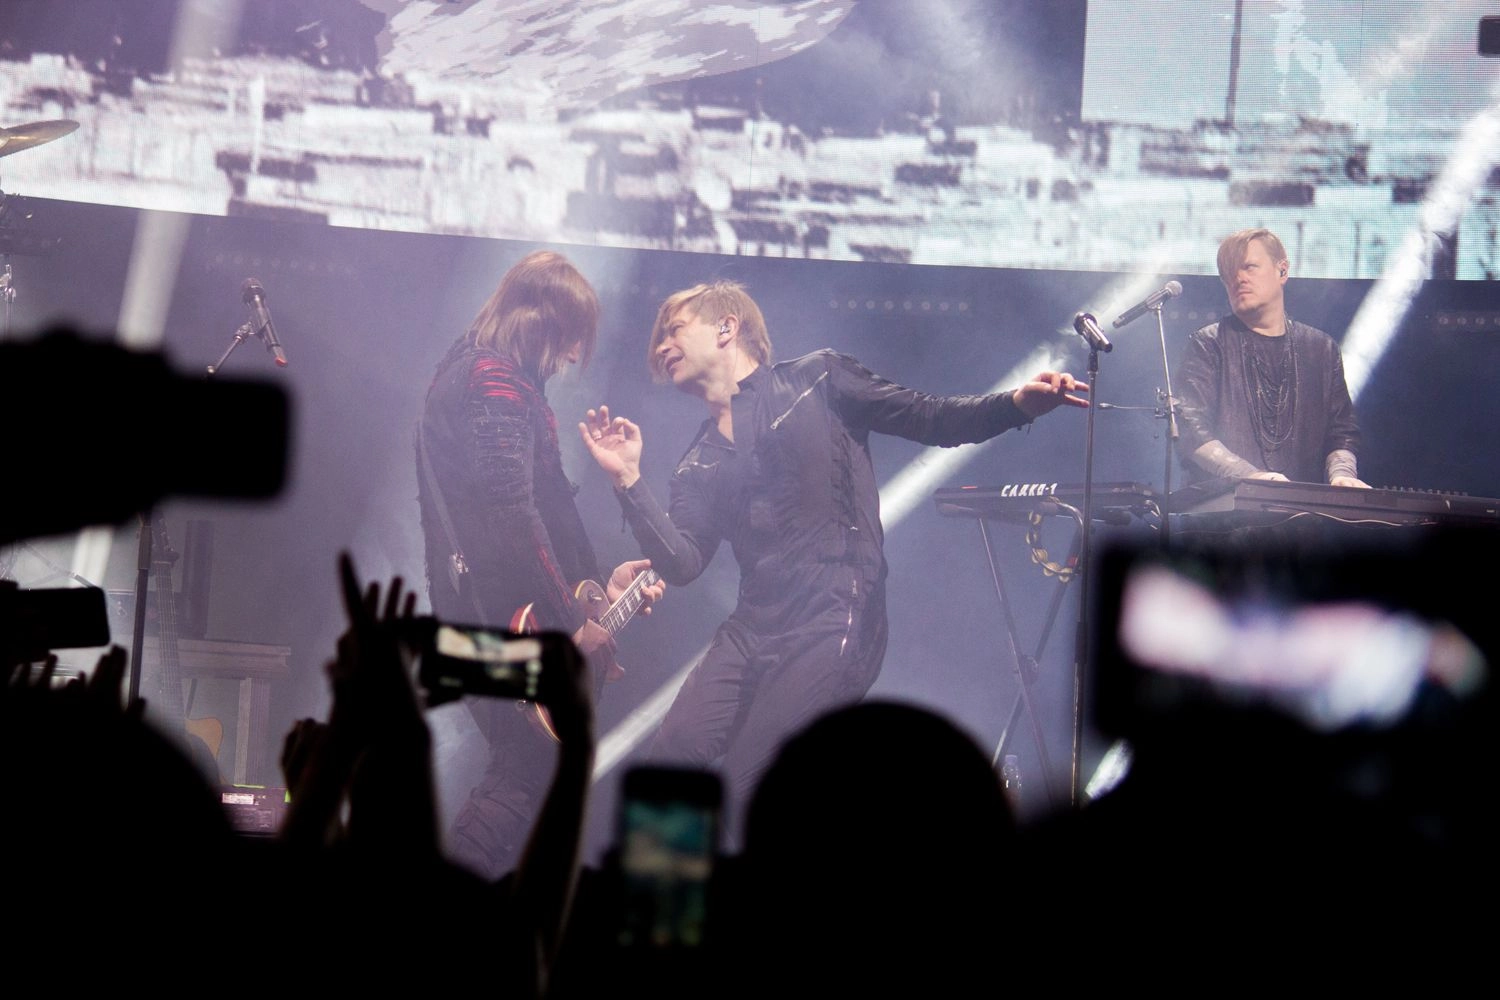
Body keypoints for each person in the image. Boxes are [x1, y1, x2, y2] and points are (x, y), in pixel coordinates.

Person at [577, 278, 1088, 828]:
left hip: (835, 616)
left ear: (726, 327)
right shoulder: (697, 462)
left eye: (674, 329)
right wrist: (628, 480)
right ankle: (659, 886)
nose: (660, 346)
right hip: (752, 629)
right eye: (658, 338)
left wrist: (1015, 405)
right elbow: (681, 562)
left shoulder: (816, 378)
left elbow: (929, 415)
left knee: (750, 782)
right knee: (668, 764)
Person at [415, 249, 664, 880]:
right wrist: (572, 624)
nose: (576, 356)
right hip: (496, 619)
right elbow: (512, 514)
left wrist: (595, 587)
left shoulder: (486, 375)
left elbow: (545, 510)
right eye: (573, 338)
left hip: (474, 615)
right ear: (544, 321)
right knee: (524, 769)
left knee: (523, 766)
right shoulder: (494, 381)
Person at [1176, 227, 1369, 488]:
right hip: (1226, 509)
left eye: (1249, 267)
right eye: (1228, 273)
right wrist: (1251, 477)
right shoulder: (1208, 343)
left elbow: (1342, 432)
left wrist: (1343, 475)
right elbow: (1190, 430)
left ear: (1283, 271)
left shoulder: (1322, 349)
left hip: (1299, 510)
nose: (1238, 278)